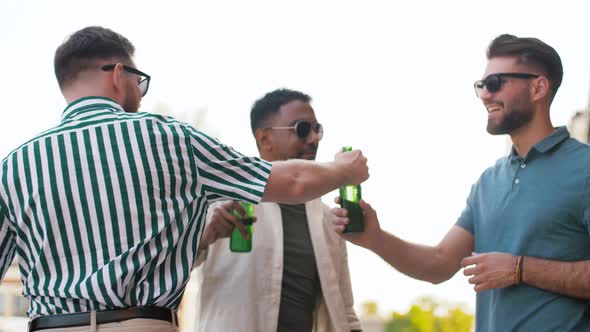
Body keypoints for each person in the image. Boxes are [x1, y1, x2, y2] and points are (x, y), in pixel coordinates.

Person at [0, 26, 369, 332]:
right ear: (117, 75)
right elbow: (293, 183)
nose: (141, 96)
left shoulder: (13, 166)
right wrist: (346, 170)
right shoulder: (169, 138)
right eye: (139, 82)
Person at [330, 34, 590, 331]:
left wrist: (521, 269)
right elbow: (439, 263)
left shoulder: (584, 169)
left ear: (538, 87)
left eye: (494, 84)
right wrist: (375, 238)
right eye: (481, 86)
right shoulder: (489, 182)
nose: (485, 95)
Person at [193, 89, 362, 332]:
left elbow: (344, 310)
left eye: (317, 129)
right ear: (264, 139)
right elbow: (166, 273)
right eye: (302, 129)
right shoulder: (221, 202)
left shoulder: (328, 218)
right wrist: (205, 237)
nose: (314, 139)